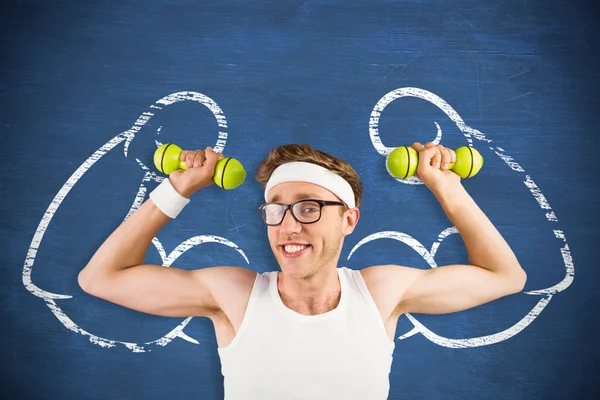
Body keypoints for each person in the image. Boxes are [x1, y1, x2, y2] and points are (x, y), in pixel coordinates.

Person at [78, 142, 527, 399]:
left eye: (309, 208)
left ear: (349, 219)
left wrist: (446, 186)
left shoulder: (381, 292)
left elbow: (507, 277)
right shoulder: (234, 295)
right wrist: (177, 188)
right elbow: (100, 278)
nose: (288, 225)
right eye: (275, 210)